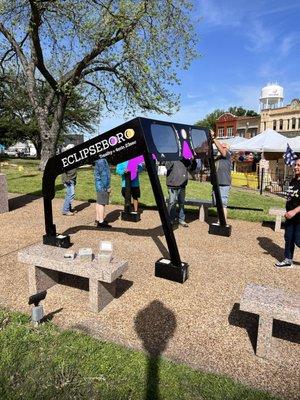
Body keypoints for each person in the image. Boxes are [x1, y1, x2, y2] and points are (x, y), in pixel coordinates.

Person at [275, 158, 300, 268]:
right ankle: (288, 259)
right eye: (295, 165)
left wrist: (294, 211)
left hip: (298, 216)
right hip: (290, 216)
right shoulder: (293, 180)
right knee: (288, 238)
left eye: (298, 165)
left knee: (298, 240)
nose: (295, 167)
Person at [165, 158, 196, 227]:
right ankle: (170, 220)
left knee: (181, 203)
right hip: (172, 185)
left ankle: (181, 220)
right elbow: (167, 166)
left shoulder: (186, 160)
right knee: (172, 202)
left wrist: (193, 160)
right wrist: (171, 157)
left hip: (182, 185)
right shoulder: (171, 157)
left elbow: (192, 168)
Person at [210, 130, 232, 222]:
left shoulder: (227, 154)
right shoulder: (218, 157)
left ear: (227, 148)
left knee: (223, 204)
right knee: (216, 203)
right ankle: (220, 220)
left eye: (224, 146)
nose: (221, 146)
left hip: (224, 183)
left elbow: (222, 151)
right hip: (216, 183)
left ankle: (223, 222)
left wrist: (214, 138)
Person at [94, 157, 111, 228]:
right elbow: (104, 176)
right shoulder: (101, 161)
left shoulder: (99, 160)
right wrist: (107, 187)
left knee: (99, 202)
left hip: (99, 185)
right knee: (102, 203)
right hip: (102, 186)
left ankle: (98, 220)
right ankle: (101, 222)